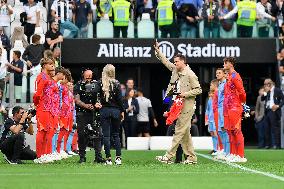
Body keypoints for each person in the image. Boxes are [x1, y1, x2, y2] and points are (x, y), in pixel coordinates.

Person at [154, 41, 202, 164]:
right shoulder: (175, 70)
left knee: (179, 130)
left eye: (176, 62)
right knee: (185, 133)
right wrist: (158, 51)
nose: (174, 64)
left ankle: (168, 156)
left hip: (187, 107)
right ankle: (191, 158)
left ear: (183, 62)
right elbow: (165, 62)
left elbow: (199, 89)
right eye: (174, 62)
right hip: (178, 104)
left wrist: (185, 94)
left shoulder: (191, 74)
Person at [74, 69, 104, 164]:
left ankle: (98, 157)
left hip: (95, 113)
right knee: (82, 135)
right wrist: (85, 105)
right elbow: (77, 100)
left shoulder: (98, 85)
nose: (89, 78)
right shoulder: (78, 85)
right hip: (82, 113)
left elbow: (101, 97)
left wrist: (99, 103)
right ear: (83, 75)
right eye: (87, 76)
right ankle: (82, 157)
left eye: (90, 76)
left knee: (98, 134)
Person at [99, 64, 124, 165]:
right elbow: (120, 100)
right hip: (115, 111)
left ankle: (108, 159)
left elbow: (97, 97)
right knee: (116, 135)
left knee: (106, 136)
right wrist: (122, 111)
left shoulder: (100, 83)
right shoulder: (117, 83)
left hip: (104, 110)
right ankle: (118, 158)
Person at [223, 57, 247, 163]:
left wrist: (241, 103)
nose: (224, 64)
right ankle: (233, 154)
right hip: (228, 107)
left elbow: (242, 92)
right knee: (230, 131)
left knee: (236, 131)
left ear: (231, 64)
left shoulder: (235, 76)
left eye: (226, 63)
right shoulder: (229, 76)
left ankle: (240, 155)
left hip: (234, 107)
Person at [33, 57, 56, 163]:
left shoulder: (47, 77)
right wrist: (37, 105)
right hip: (43, 108)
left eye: (53, 64)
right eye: (50, 64)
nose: (52, 65)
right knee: (42, 131)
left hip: (48, 108)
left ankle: (45, 154)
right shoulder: (42, 77)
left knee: (47, 132)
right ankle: (39, 156)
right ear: (44, 65)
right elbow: (37, 94)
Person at [261, 78, 284, 149]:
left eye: (266, 84)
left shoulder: (277, 90)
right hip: (267, 111)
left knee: (275, 128)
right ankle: (268, 145)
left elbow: (283, 99)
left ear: (270, 83)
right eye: (264, 84)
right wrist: (265, 92)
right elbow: (262, 99)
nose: (264, 85)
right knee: (266, 128)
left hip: (274, 111)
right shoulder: (267, 91)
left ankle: (277, 145)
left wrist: (278, 106)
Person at [215, 68, 230, 160]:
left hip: (225, 109)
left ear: (224, 74)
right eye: (216, 73)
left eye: (219, 73)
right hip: (220, 109)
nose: (217, 74)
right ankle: (224, 151)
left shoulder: (226, 84)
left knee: (225, 130)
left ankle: (228, 152)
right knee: (221, 130)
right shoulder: (220, 85)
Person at [205, 80, 219, 155]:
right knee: (212, 133)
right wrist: (206, 119)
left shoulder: (218, 96)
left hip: (215, 119)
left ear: (215, 86)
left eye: (211, 85)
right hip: (210, 119)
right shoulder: (210, 98)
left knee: (216, 133)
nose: (210, 86)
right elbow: (208, 109)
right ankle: (214, 149)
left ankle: (219, 149)